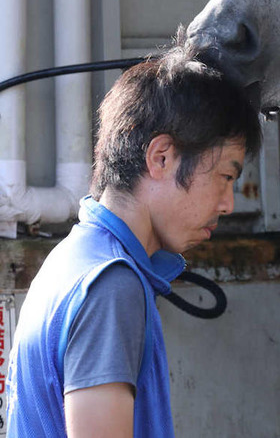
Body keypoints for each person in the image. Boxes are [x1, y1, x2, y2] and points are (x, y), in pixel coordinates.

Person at [6, 45, 261, 438]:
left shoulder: (74, 259)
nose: (228, 204)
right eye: (226, 177)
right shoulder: (111, 284)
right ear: (161, 157)